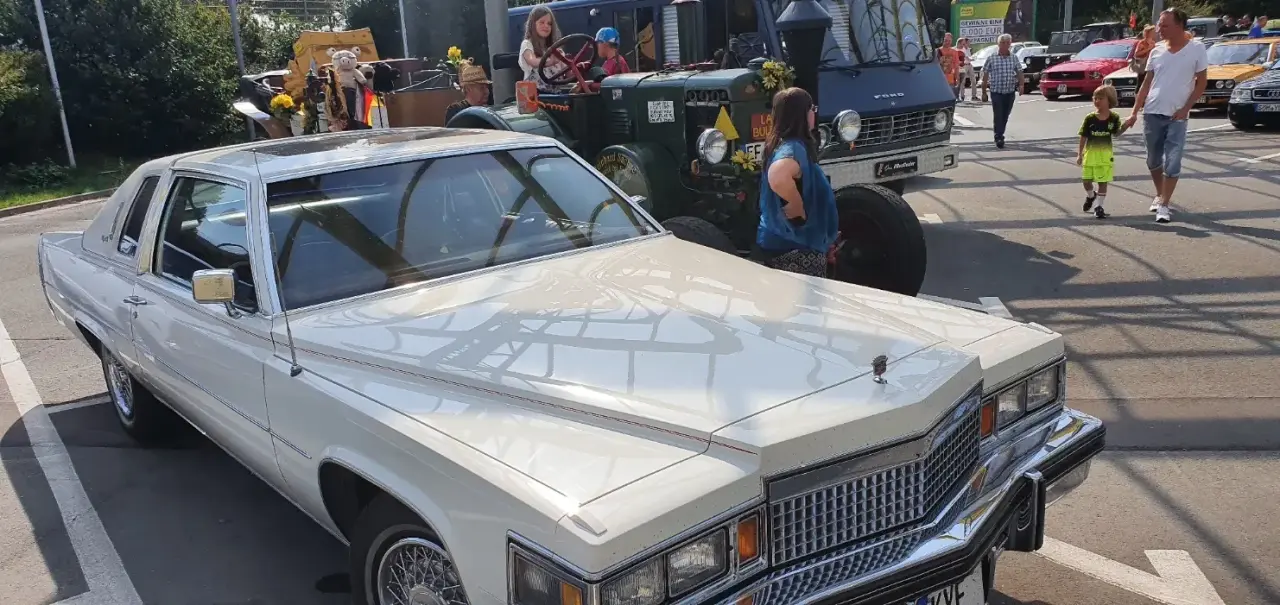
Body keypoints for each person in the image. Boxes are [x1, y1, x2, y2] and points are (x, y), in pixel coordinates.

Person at [1124, 8, 1208, 224]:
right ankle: (1160, 194)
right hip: (1152, 112)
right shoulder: (1157, 51)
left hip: (1177, 115)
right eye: (1159, 25)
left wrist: (1186, 108)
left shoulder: (1197, 48)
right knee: (1153, 159)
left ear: (1179, 26)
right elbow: (1146, 83)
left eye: (1165, 25)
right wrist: (1134, 112)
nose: (1159, 29)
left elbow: (1201, 82)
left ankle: (1164, 204)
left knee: (1173, 161)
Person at [751, 87, 839, 278]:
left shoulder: (780, 144)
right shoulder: (793, 147)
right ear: (802, 114)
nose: (814, 113)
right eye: (812, 109)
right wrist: (795, 204)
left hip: (787, 243)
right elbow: (778, 174)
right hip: (795, 249)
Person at [1078, 85, 1130, 219]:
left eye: (1100, 98)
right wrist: (1080, 154)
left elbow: (1116, 133)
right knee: (1086, 181)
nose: (1097, 101)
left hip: (1105, 156)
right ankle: (1091, 196)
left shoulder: (1114, 118)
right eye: (1095, 98)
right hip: (1090, 155)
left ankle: (1099, 206)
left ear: (1109, 100)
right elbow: (1083, 136)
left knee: (1102, 182)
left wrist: (1126, 124)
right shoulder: (1090, 118)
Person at [981, 34, 1024, 149]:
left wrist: (1021, 85)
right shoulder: (991, 58)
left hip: (1009, 91)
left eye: (1007, 43)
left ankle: (1000, 132)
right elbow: (985, 75)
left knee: (1005, 114)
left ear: (1010, 44)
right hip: (996, 91)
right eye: (1003, 43)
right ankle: (999, 136)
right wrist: (984, 91)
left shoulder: (1014, 58)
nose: (1005, 45)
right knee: (998, 114)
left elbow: (1019, 71)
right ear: (998, 44)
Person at [519, 5, 565, 92]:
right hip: (535, 93)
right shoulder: (527, 44)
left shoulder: (554, 47)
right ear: (533, 24)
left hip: (556, 93)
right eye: (542, 22)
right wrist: (550, 61)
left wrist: (576, 67)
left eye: (549, 23)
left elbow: (566, 70)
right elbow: (533, 61)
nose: (546, 26)